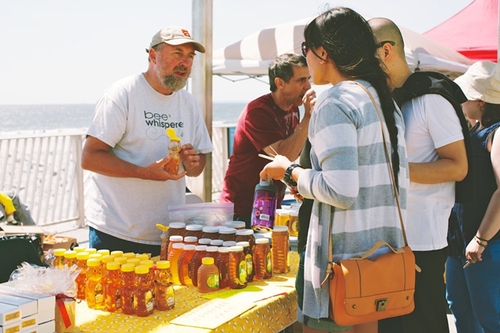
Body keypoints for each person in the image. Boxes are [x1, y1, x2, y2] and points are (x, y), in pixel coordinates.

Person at [261, 8, 409, 333]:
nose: (307, 59)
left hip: (337, 267)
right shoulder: (382, 101)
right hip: (378, 260)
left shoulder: (336, 103)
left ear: (323, 52)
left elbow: (340, 190)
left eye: (306, 49)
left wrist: (290, 172)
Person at [369, 18, 471, 333]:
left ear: (386, 51)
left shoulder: (431, 98)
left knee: (422, 323)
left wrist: (392, 171)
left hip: (423, 241)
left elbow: (458, 166)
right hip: (390, 241)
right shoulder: (391, 100)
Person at [82, 26, 213, 256]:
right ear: (153, 55)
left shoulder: (188, 103)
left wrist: (193, 163)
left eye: (190, 56)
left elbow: (198, 164)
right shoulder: (123, 93)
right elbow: (90, 157)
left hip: (168, 234)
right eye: (177, 53)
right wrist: (145, 172)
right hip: (116, 233)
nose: (185, 62)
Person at [220, 53, 316, 228]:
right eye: (301, 80)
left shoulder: (293, 108)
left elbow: (293, 152)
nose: (308, 86)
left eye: (308, 79)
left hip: (267, 202)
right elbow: (282, 155)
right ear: (280, 83)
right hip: (241, 208)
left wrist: (293, 180)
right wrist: (308, 117)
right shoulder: (257, 111)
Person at [446, 61, 500, 333]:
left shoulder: (497, 132)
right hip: (463, 245)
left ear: (480, 101)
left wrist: (481, 238)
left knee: (489, 318)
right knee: (463, 313)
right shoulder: (477, 129)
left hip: (486, 247)